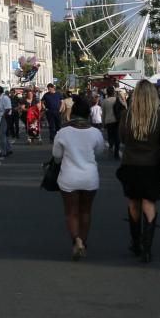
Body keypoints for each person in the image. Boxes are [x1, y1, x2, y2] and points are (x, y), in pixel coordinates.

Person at [116, 79, 160, 262]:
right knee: (149, 203)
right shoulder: (159, 117)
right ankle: (147, 247)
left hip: (130, 163)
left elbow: (122, 138)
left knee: (133, 203)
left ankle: (136, 241)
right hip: (152, 163)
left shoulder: (127, 115)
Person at [51, 96, 105, 259]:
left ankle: (76, 240)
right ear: (88, 114)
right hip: (89, 177)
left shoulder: (63, 132)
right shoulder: (95, 132)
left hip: (69, 177)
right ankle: (83, 241)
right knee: (86, 211)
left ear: (72, 114)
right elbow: (99, 152)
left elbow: (56, 156)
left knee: (71, 212)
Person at [105, 90, 125, 159]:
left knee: (110, 135)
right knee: (117, 137)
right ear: (113, 92)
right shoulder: (118, 99)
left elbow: (103, 113)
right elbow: (124, 107)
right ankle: (116, 152)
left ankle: (111, 146)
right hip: (117, 120)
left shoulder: (105, 101)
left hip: (108, 121)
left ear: (107, 93)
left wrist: (103, 122)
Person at [0, 85, 13, 157]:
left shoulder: (5, 98)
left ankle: (3, 152)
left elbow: (8, 108)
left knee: (2, 134)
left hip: (4, 117)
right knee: (4, 134)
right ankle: (9, 149)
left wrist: (3, 116)